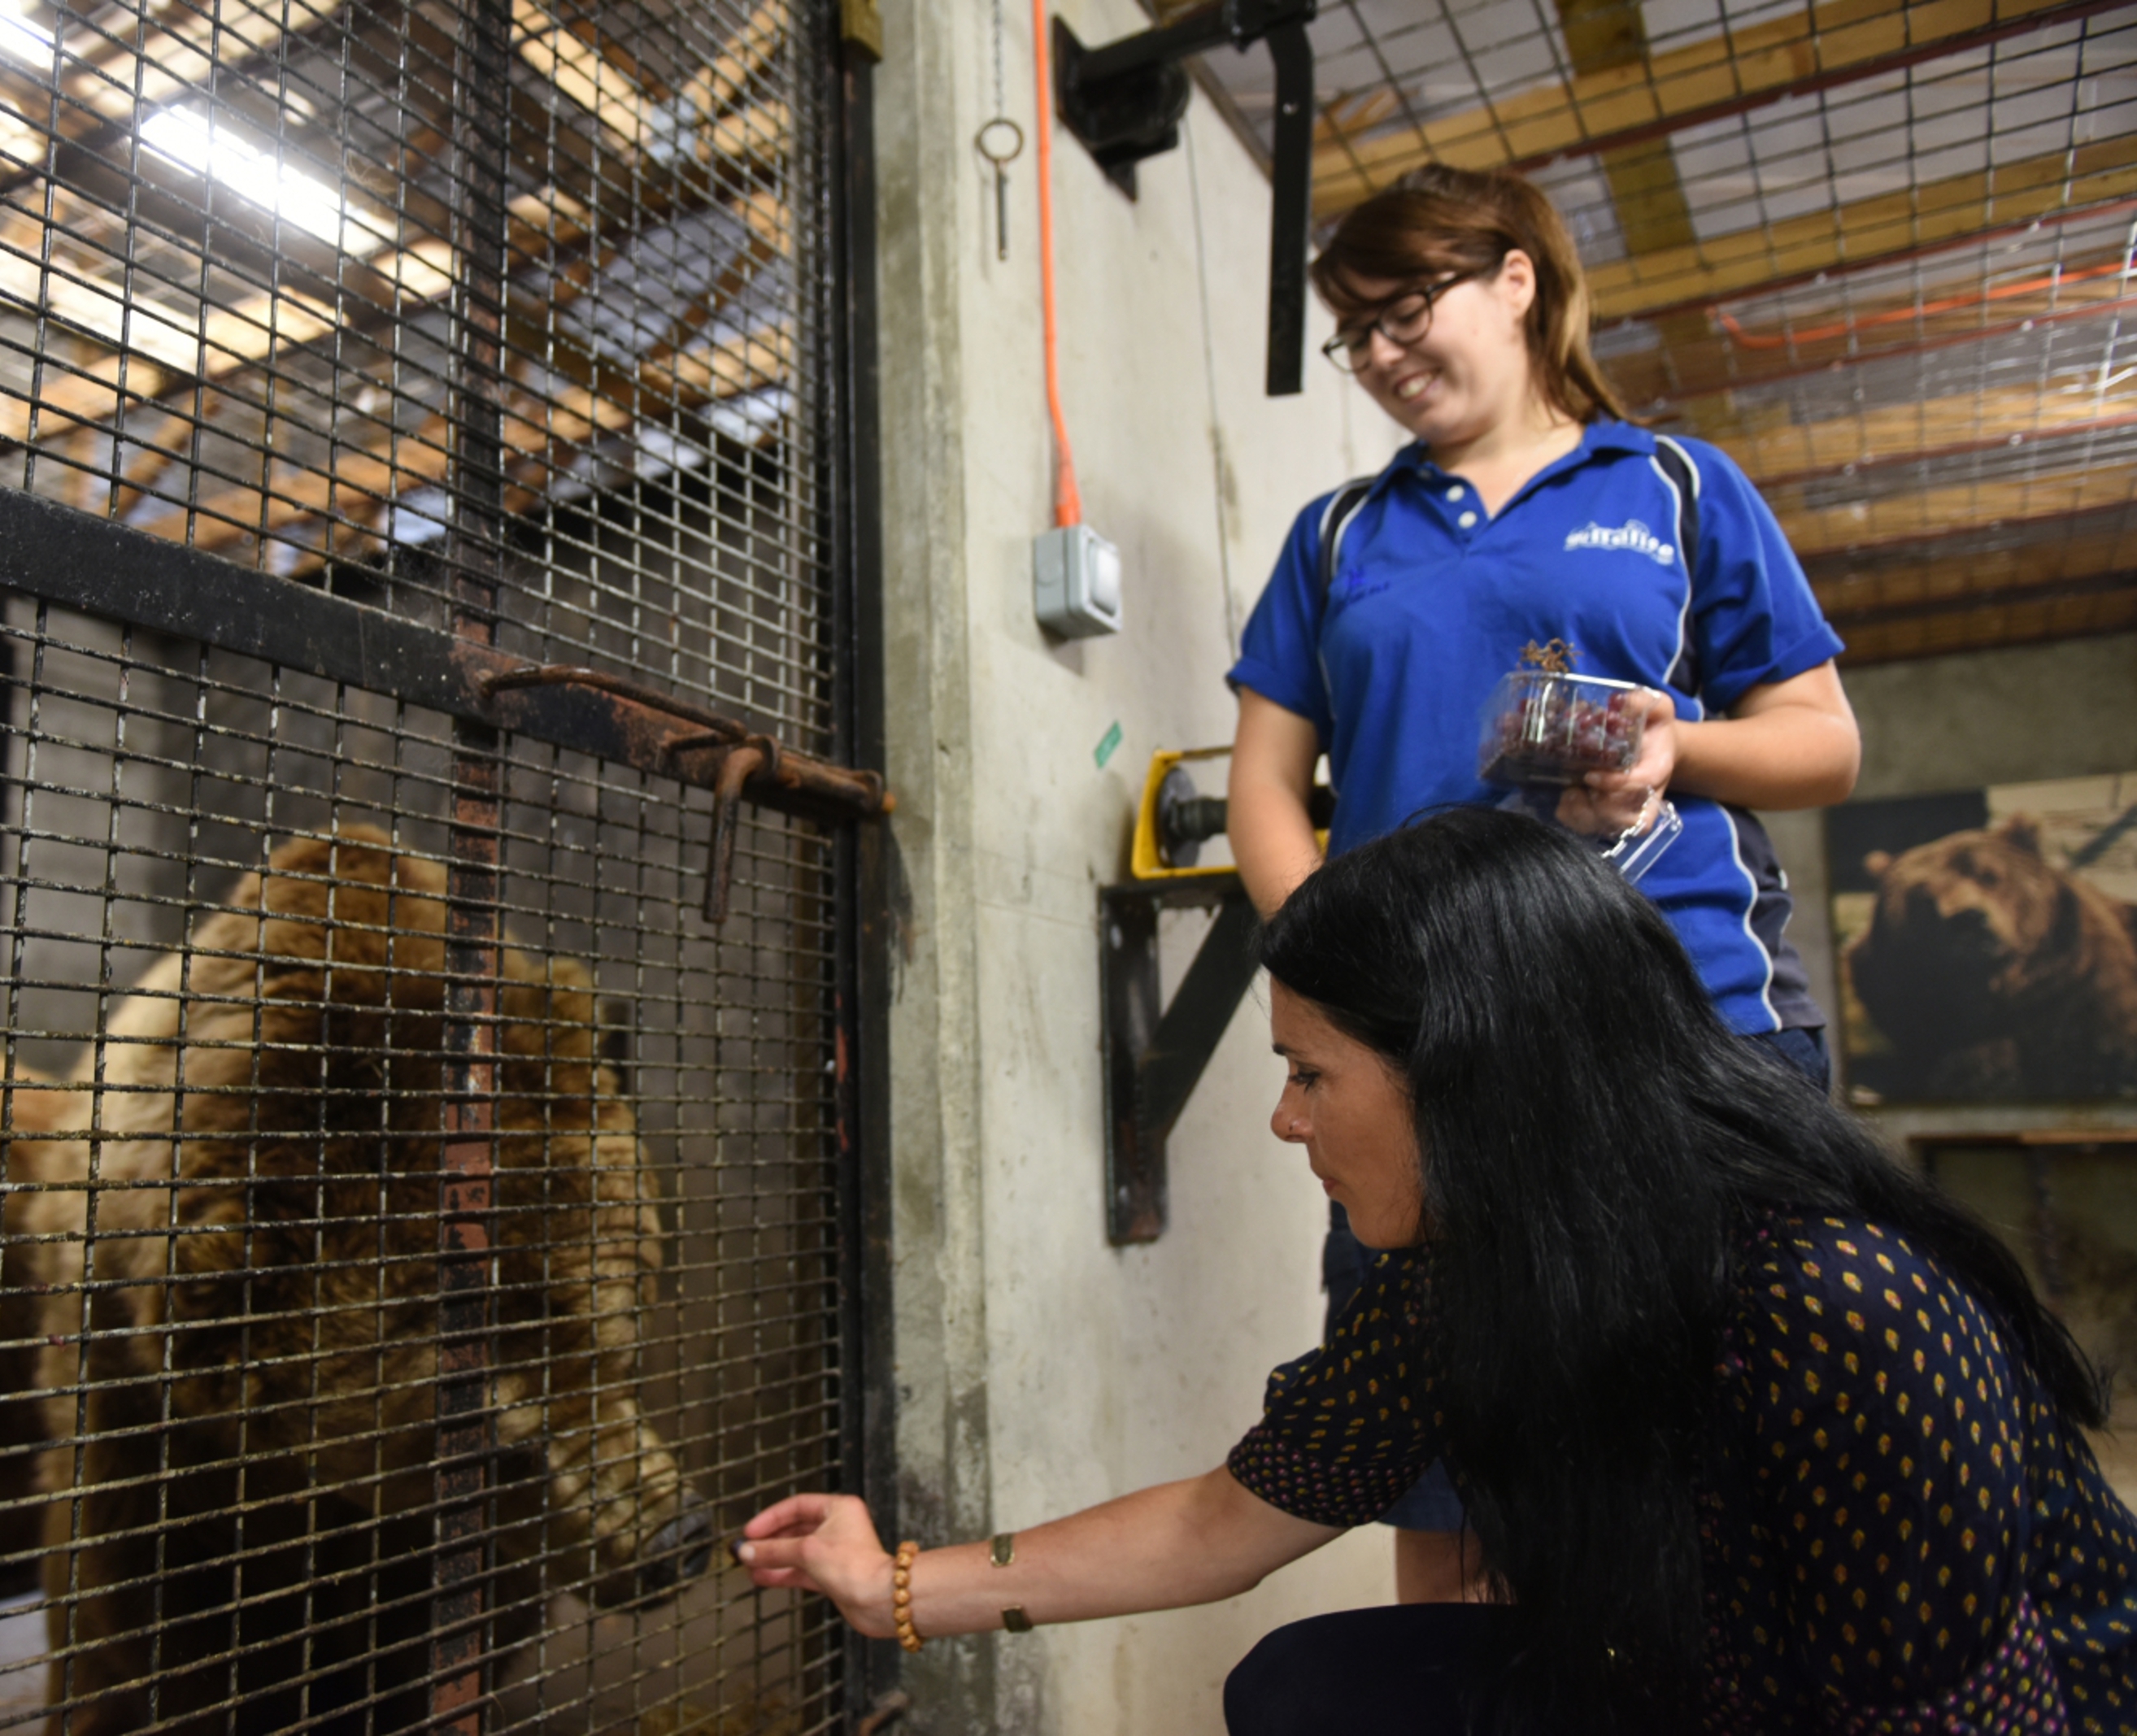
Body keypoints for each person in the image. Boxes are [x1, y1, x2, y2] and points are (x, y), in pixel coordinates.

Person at [737, 808, 2137, 1735]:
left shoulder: (1843, 1305)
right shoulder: (1469, 1268)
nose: (1285, 1119)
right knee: (1314, 1687)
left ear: (1474, 1079)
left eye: (1309, 1075)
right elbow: (1230, 1521)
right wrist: (895, 1585)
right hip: (1684, 1683)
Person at [1223, 163, 1861, 1599]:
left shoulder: (1676, 485)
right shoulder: (1339, 537)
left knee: (1714, 1445)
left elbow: (1826, 743)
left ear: (1517, 278)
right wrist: (1336, 969)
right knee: (1442, 1469)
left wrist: (1672, 743)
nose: (1383, 354)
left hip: (1691, 1019)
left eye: (1407, 308)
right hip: (1431, 1052)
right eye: (1355, 333)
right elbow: (1264, 786)